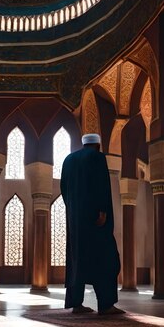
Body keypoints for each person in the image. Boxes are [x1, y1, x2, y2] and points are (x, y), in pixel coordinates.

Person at [60, 133, 124, 315]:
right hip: (95, 220)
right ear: (98, 144)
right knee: (106, 259)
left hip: (75, 221)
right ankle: (106, 304)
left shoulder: (68, 160)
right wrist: (102, 211)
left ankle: (76, 304)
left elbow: (64, 189)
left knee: (77, 260)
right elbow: (101, 185)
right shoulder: (97, 157)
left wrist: (74, 212)